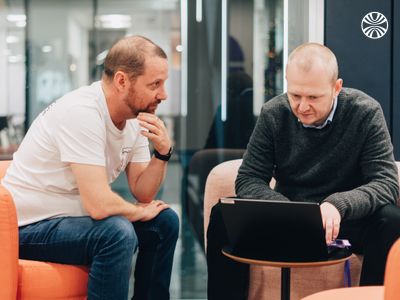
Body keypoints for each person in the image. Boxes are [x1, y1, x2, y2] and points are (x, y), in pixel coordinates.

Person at [206, 42, 400, 299]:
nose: (302, 106)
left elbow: (386, 181)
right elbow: (249, 177)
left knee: (391, 221)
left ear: (336, 87)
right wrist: (286, 210)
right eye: (295, 95)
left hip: (344, 221)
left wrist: (339, 204)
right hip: (286, 216)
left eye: (313, 97)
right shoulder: (274, 113)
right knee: (222, 216)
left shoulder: (365, 112)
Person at [2, 35, 179, 300]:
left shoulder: (135, 119)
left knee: (164, 222)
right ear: (122, 81)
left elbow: (143, 192)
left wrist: (162, 153)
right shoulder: (82, 111)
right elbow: (98, 205)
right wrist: (135, 213)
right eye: (155, 84)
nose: (163, 94)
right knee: (116, 234)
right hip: (27, 227)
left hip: (70, 221)